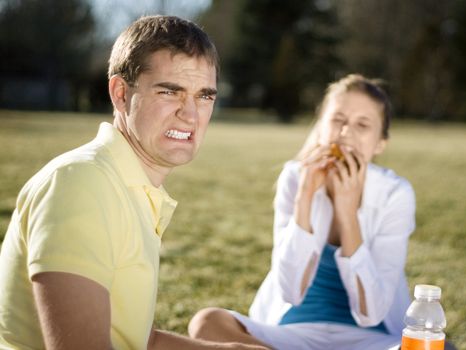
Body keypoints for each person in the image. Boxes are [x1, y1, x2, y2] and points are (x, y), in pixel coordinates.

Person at [0, 15, 266, 350]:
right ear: (121, 94)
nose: (191, 114)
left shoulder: (132, 187)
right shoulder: (81, 183)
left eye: (205, 96)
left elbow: (139, 339)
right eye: (171, 92)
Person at [188, 74, 416, 350]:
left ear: (380, 142)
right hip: (292, 334)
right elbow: (291, 292)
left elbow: (372, 313)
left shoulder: (395, 193)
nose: (346, 132)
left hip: (372, 340)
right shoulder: (295, 177)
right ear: (321, 127)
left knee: (439, 347)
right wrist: (305, 197)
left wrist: (347, 212)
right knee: (207, 323)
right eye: (338, 120)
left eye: (363, 125)